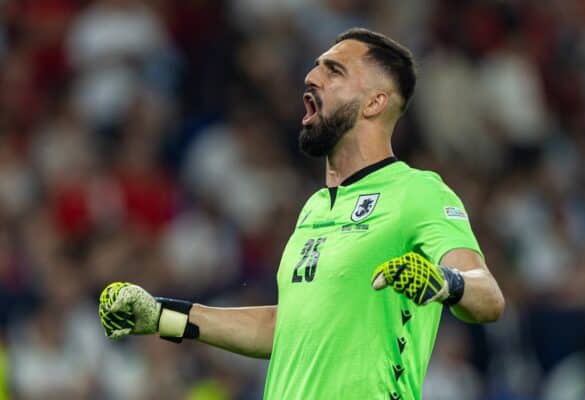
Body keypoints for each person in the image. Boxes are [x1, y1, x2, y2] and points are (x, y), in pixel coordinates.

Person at [99, 27, 505, 399]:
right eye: (315, 67)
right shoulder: (313, 207)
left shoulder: (417, 191)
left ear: (375, 103)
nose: (312, 78)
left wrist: (444, 281)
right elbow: (283, 329)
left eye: (334, 71)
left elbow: (488, 296)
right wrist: (161, 316)